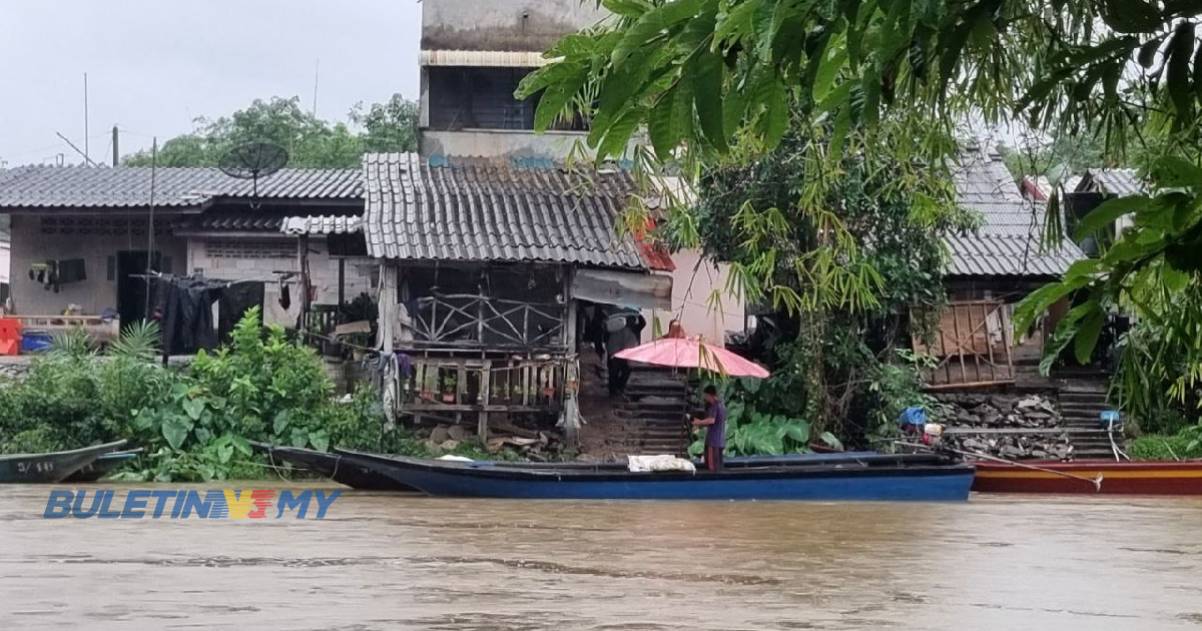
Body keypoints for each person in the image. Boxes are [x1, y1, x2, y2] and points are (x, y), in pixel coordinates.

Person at [692, 385, 727, 471]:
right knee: (717, 465)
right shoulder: (720, 405)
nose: (705, 398)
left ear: (709, 395)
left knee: (712, 466)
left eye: (705, 396)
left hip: (714, 441)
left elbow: (711, 420)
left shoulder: (716, 406)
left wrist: (699, 422)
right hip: (718, 440)